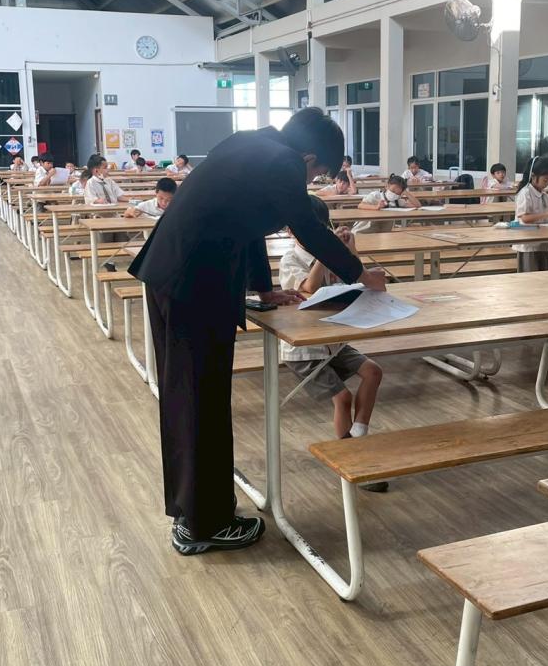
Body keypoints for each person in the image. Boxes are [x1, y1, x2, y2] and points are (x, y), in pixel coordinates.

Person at [128, 107, 385, 556]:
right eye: (317, 174)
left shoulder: (251, 144)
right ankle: (204, 524)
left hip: (177, 274)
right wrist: (360, 274)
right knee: (200, 399)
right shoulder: (283, 162)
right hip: (195, 281)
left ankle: (193, 513)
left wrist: (262, 289)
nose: (311, 182)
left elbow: (245, 226)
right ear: (309, 158)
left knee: (188, 397)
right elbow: (308, 228)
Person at [280, 197, 386, 492]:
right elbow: (309, 288)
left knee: (373, 371)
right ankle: (350, 463)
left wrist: (350, 250)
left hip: (332, 341)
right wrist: (325, 252)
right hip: (303, 348)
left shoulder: (333, 253)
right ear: (292, 231)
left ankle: (358, 436)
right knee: (343, 398)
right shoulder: (290, 260)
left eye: (322, 230)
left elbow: (360, 281)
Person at [514, 154, 548, 271]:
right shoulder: (525, 193)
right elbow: (524, 218)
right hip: (529, 243)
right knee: (531, 274)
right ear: (533, 176)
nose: (547, 183)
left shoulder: (544, 195)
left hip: (544, 240)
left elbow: (545, 217)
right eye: (545, 180)